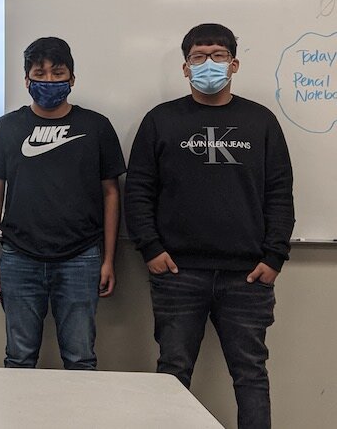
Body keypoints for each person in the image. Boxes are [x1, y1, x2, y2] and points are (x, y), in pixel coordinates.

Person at [125, 23, 295, 428]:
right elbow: (138, 191)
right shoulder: (160, 120)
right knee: (172, 373)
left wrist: (275, 257)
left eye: (217, 55)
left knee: (251, 376)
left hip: (248, 277)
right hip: (178, 273)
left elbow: (280, 193)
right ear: (185, 68)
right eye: (198, 57)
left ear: (234, 63)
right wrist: (150, 248)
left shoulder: (262, 121)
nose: (208, 64)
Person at [0, 37, 125, 369]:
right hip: (18, 258)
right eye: (39, 73)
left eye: (58, 73)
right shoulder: (7, 128)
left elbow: (112, 194)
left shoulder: (96, 127)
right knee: (18, 359)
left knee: (80, 359)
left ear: (72, 78)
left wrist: (108, 259)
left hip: (81, 259)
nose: (49, 81)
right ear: (26, 79)